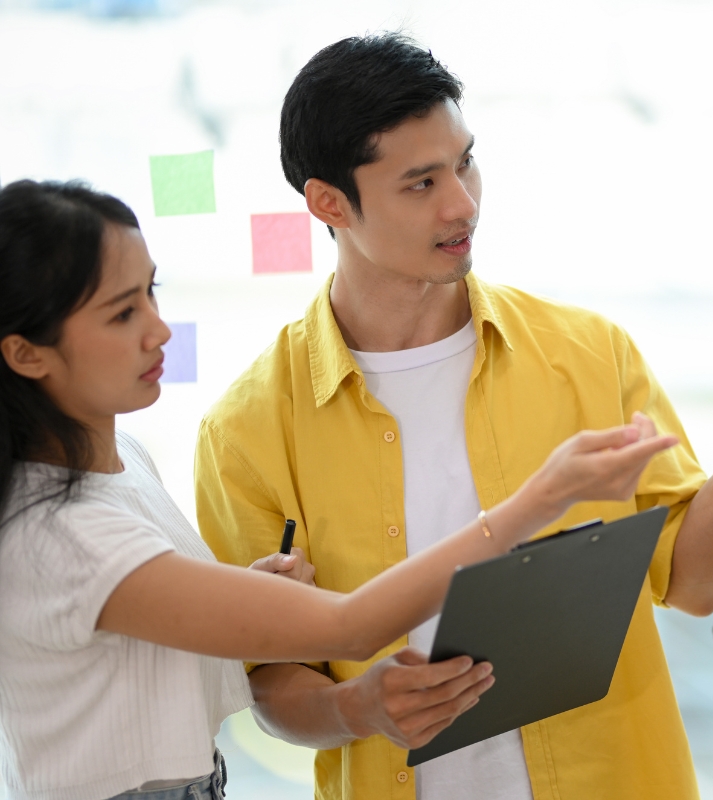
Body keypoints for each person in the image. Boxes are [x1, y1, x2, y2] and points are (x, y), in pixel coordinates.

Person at [196, 32, 713, 800]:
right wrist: (354, 707)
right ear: (328, 203)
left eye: (465, 161)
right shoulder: (246, 432)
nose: (463, 204)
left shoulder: (587, 353)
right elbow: (270, 682)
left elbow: (693, 581)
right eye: (420, 183)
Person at [0, 179, 677, 800]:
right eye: (121, 314)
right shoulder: (56, 533)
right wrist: (542, 498)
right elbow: (350, 629)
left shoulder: (123, 465)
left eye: (154, 292)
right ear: (25, 353)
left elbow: (159, 647)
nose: (159, 329)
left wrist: (253, 596)